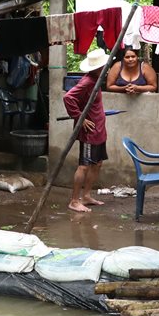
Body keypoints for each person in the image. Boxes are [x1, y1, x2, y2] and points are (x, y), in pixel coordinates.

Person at [63, 47, 110, 213]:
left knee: (97, 163)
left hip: (98, 130)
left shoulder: (96, 80)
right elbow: (68, 97)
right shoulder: (88, 81)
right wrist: (80, 118)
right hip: (89, 132)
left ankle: (87, 196)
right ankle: (74, 200)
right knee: (84, 166)